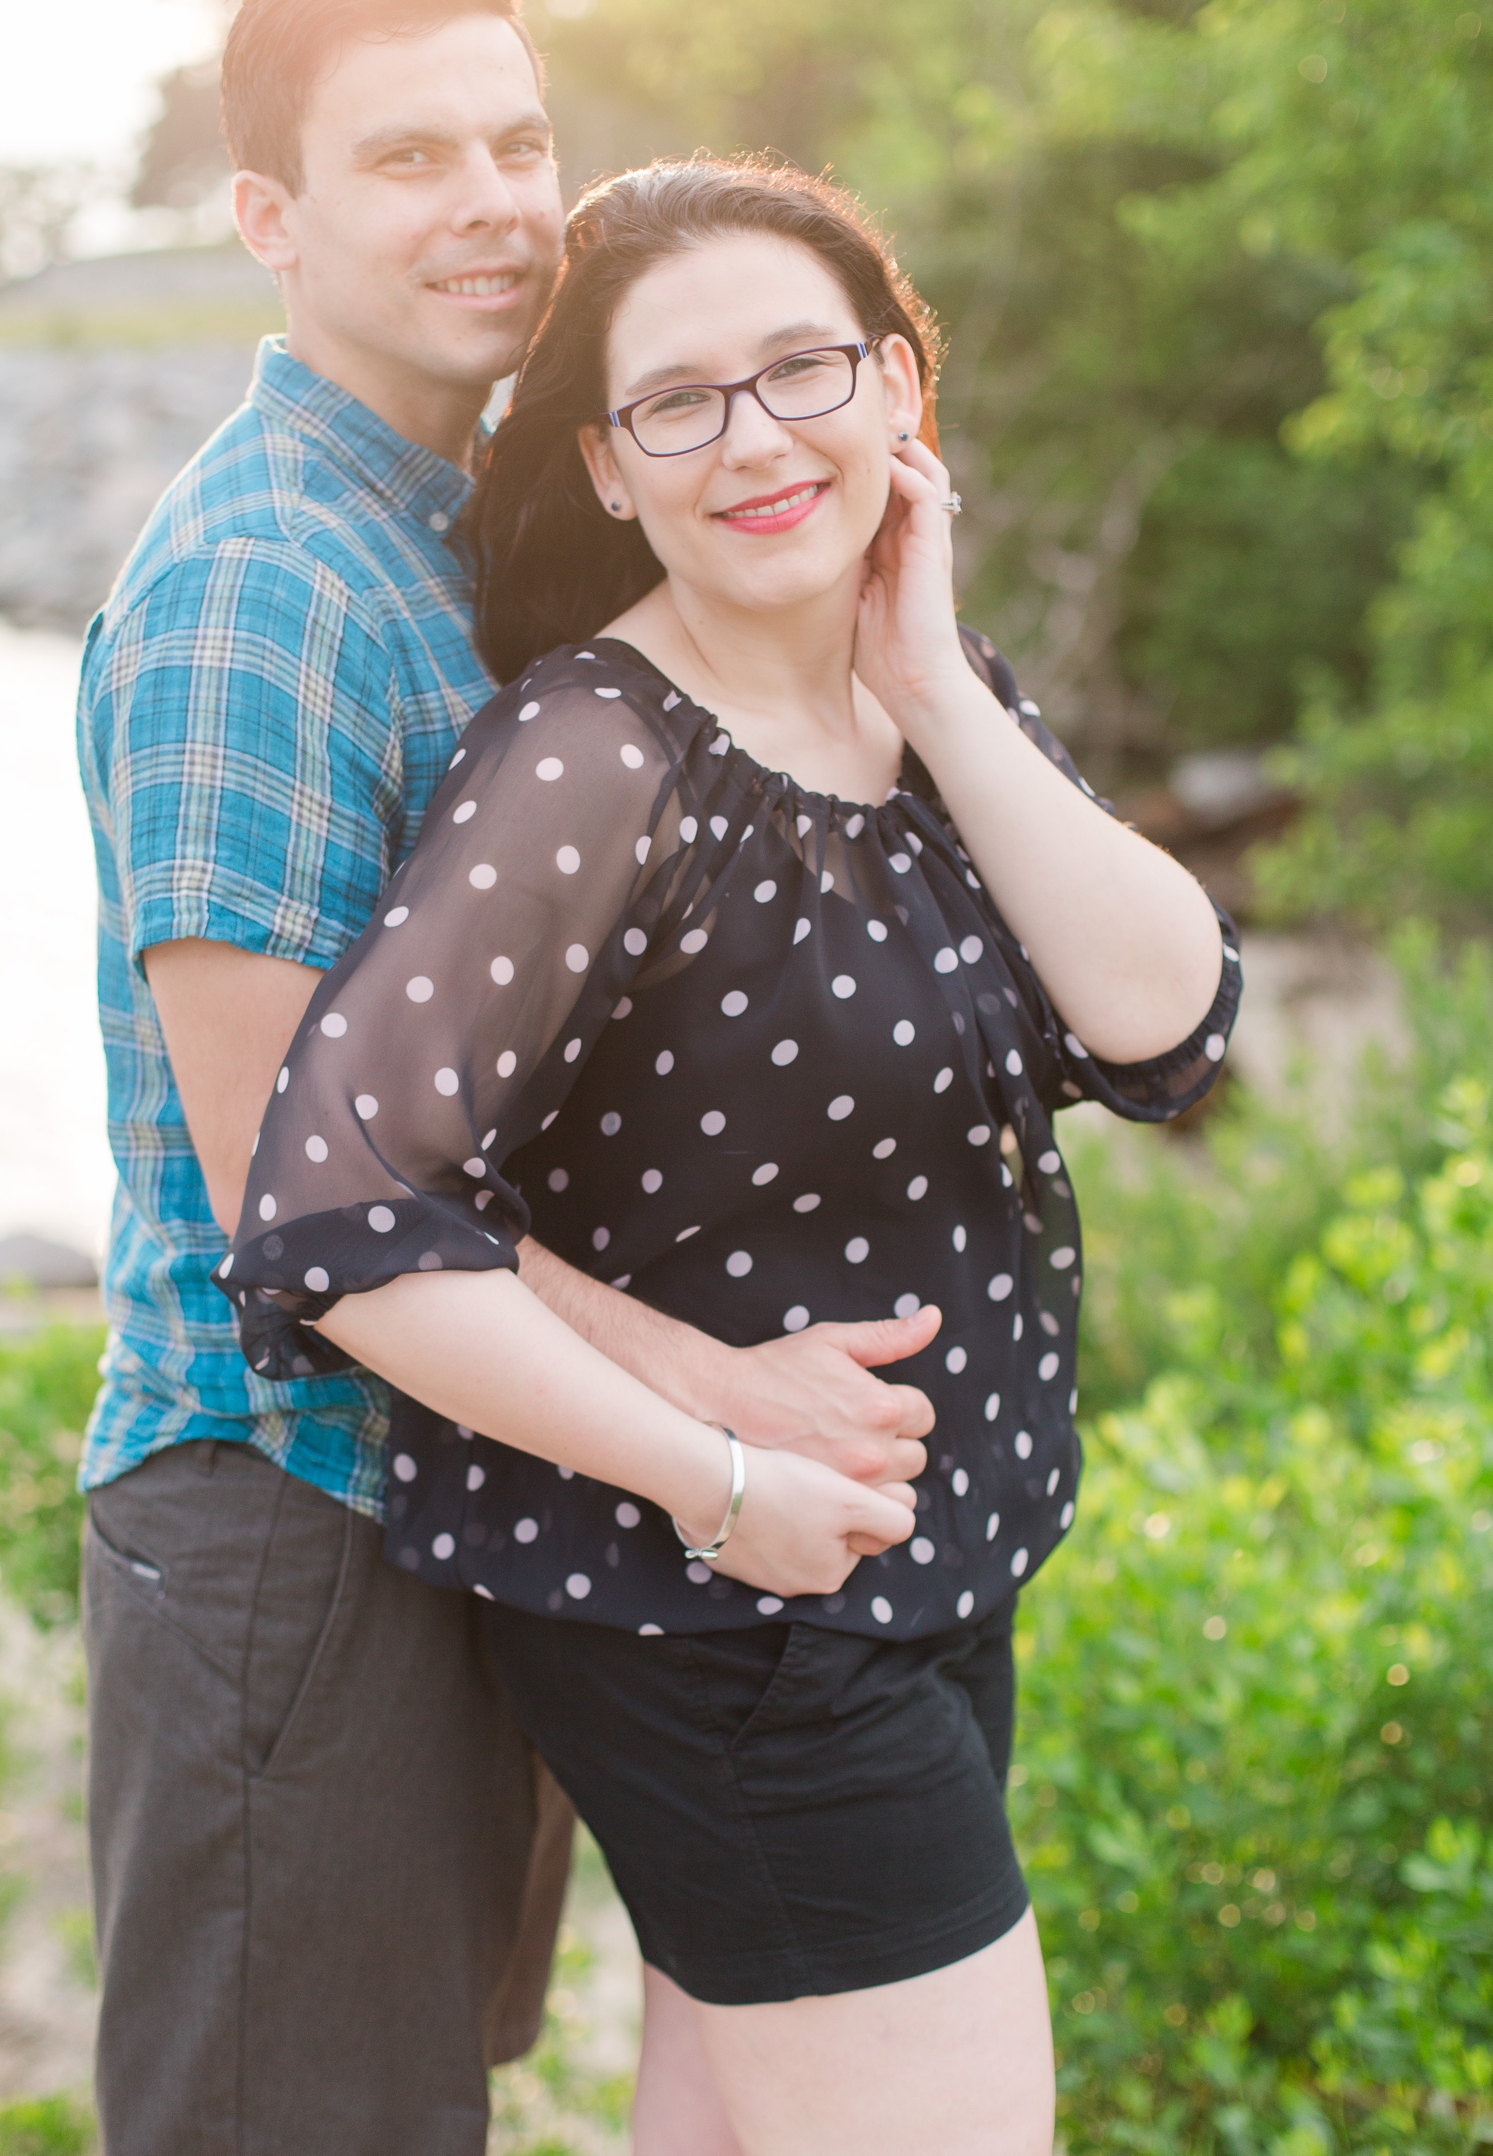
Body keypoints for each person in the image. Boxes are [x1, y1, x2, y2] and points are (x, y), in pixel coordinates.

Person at [220, 156, 1243, 2156]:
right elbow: (337, 1217)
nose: (756, 437)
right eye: (679, 400)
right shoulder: (591, 755)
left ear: (899, 393)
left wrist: (935, 678)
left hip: (921, 1577)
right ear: (605, 466)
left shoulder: (922, 704)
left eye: (805, 369)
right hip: (732, 1624)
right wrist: (725, 1486)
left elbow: (1168, 1027)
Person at [76, 0, 933, 2156]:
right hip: (287, 1512)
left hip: (479, 1475)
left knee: (410, 2101)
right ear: (268, 218)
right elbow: (301, 1188)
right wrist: (708, 1404)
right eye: (406, 156)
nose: (491, 200)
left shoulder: (466, 541)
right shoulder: (260, 592)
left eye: (518, 138)